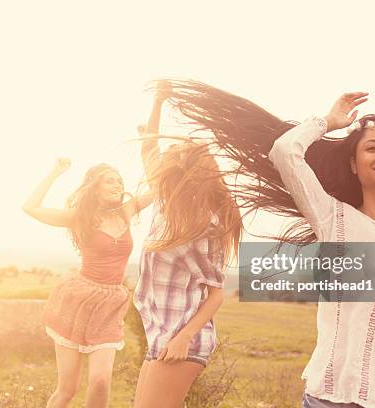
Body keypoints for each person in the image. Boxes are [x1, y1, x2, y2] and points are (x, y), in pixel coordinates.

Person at [164, 81, 375, 407]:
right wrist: (328, 122)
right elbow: (284, 151)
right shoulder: (333, 218)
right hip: (333, 397)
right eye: (372, 148)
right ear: (353, 164)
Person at [132, 81, 243, 407]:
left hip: (184, 340)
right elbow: (148, 148)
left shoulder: (206, 226)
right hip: (161, 333)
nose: (170, 159)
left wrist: (184, 338)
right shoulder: (165, 205)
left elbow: (216, 292)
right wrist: (158, 101)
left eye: (179, 157)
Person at [23, 159, 151, 408]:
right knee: (67, 389)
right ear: (95, 188)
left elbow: (158, 186)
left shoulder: (127, 210)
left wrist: (152, 140)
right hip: (78, 300)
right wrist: (55, 172)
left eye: (119, 180)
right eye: (109, 180)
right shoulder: (80, 218)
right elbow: (30, 207)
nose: (118, 184)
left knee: (101, 382)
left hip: (111, 303)